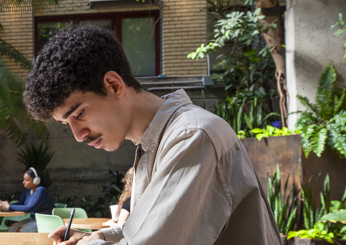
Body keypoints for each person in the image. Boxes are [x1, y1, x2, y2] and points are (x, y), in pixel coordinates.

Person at [24, 25, 279, 244]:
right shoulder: (153, 145)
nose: (78, 135)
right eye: (65, 124)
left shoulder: (191, 136)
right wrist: (97, 237)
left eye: (79, 113)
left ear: (114, 85)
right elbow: (145, 231)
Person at [0, 167, 54, 232]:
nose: (23, 182)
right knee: (11, 228)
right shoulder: (28, 191)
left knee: (20, 230)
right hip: (34, 218)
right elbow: (20, 203)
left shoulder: (40, 190)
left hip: (45, 221)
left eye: (26, 180)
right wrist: (4, 205)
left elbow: (29, 208)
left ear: (36, 180)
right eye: (24, 180)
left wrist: (8, 206)